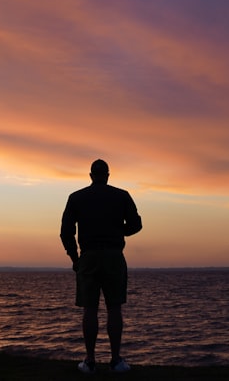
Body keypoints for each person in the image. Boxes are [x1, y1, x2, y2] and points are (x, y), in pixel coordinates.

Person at [60, 159, 142, 374]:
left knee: (90, 309)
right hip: (114, 256)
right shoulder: (121, 196)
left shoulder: (76, 198)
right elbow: (136, 225)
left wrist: (74, 258)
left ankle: (90, 361)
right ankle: (115, 360)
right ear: (107, 175)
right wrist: (117, 230)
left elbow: (66, 232)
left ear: (90, 175)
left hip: (88, 257)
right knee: (114, 308)